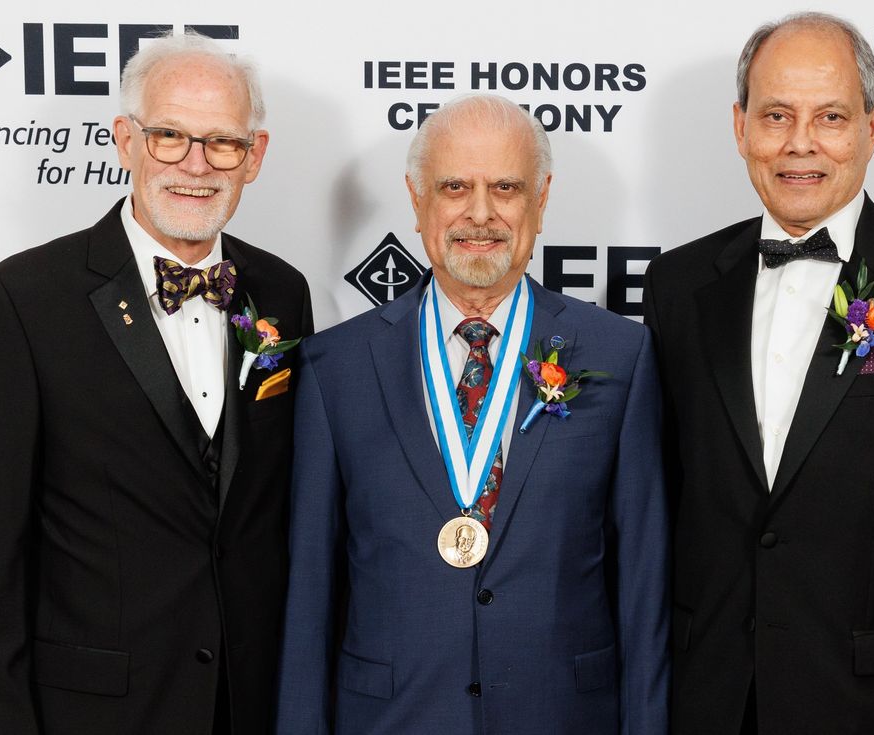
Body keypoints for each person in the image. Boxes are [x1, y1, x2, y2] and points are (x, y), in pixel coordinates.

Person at [275, 94, 668, 734]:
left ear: (540, 201)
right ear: (416, 198)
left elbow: (644, 586)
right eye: (454, 186)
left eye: (505, 188)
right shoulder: (335, 368)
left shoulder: (621, 356)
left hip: (564, 717)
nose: (479, 213)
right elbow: (309, 595)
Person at [0, 32, 313, 735]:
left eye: (223, 142)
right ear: (126, 140)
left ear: (255, 157)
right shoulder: (19, 301)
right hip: (89, 713)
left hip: (248, 704)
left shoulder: (282, 292)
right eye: (169, 137)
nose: (197, 164)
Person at [643, 12, 874, 734]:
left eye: (831, 116)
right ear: (740, 125)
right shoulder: (678, 285)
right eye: (776, 114)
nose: (800, 142)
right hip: (710, 702)